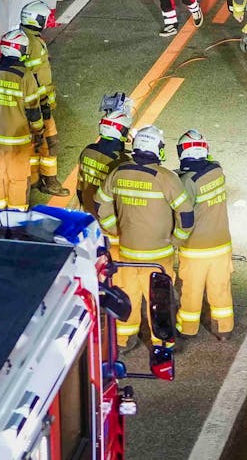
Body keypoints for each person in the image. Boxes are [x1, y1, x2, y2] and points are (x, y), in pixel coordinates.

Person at [96, 125, 191, 350]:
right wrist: (177, 239)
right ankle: (163, 344)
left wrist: (114, 230)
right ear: (157, 148)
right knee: (160, 301)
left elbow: (100, 204)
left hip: (128, 253)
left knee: (128, 294)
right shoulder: (166, 178)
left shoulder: (118, 173)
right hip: (158, 256)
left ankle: (123, 340)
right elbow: (186, 215)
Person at [175, 131, 234, 340]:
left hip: (196, 249)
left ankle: (188, 329)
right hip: (221, 244)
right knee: (221, 289)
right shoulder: (217, 170)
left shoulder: (186, 183)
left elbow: (183, 214)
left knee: (191, 291)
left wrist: (174, 240)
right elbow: (205, 166)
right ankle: (224, 328)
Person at [0, 30, 46, 210]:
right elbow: (33, 109)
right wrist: (38, 130)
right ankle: (16, 220)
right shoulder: (25, 75)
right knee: (18, 180)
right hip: (19, 141)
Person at [17, 0, 66, 194]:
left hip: (32, 103)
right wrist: (43, 104)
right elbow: (34, 77)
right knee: (49, 142)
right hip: (38, 103)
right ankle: (50, 181)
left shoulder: (25, 38)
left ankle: (35, 178)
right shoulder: (33, 43)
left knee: (33, 143)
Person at [79, 107, 130, 216]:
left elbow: (80, 187)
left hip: (87, 210)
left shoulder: (88, 151)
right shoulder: (122, 161)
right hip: (108, 217)